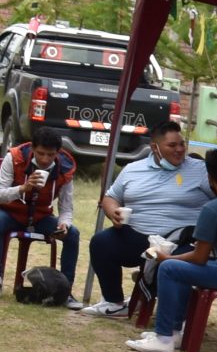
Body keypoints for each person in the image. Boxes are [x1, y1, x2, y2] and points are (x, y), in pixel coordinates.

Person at [125, 149, 217, 352]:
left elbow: (199, 257)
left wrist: (167, 257)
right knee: (179, 270)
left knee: (168, 268)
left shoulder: (213, 209)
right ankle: (173, 332)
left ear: (209, 177)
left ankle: (163, 338)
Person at [79, 119, 209, 314]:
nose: (179, 149)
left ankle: (172, 315)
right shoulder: (133, 169)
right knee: (101, 242)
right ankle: (113, 302)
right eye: (172, 145)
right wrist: (112, 211)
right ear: (155, 147)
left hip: (180, 240)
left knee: (177, 263)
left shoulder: (200, 169)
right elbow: (110, 197)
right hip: (138, 235)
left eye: (182, 144)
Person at [0, 125, 80, 295]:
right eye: (40, 153)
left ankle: (64, 291)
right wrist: (22, 188)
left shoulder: (65, 169)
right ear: (32, 148)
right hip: (10, 213)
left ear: (58, 153)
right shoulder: (15, 157)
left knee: (73, 234)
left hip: (40, 217)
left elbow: (66, 208)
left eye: (51, 155)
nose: (45, 159)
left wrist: (64, 225)